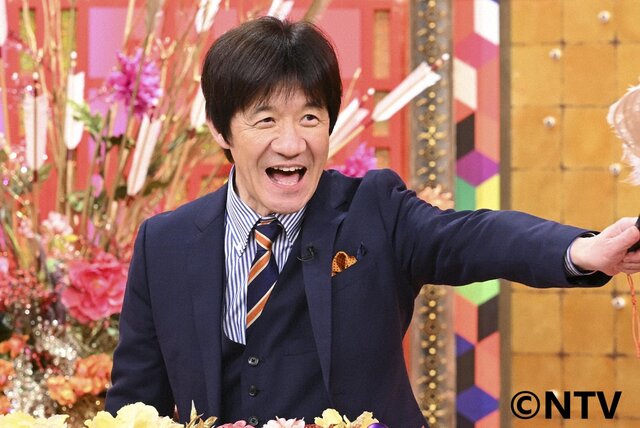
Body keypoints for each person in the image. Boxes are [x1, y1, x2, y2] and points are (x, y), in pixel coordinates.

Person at [105, 16, 640, 427]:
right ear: (221, 130)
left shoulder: (374, 210)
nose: (291, 143)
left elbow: (471, 236)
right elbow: (134, 405)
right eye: (265, 119)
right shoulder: (165, 243)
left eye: (310, 117)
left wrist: (579, 250)